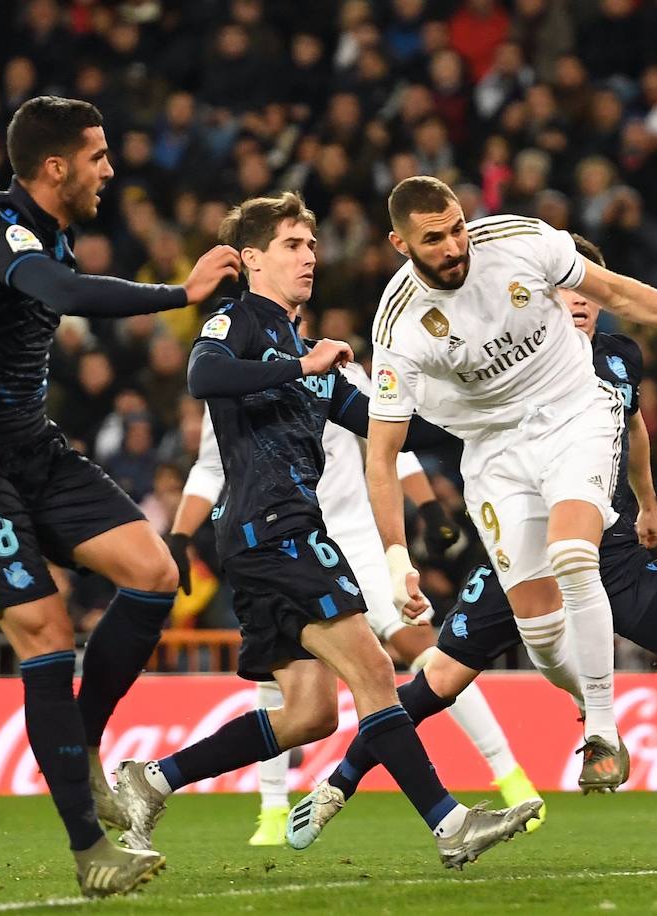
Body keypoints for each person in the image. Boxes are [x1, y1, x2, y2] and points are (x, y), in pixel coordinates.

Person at [288, 235, 657, 854]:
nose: (578, 301)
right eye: (566, 290)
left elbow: (633, 424)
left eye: (588, 293)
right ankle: (336, 785)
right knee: (438, 679)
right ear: (538, 300)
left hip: (609, 549)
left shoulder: (620, 358)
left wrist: (648, 502)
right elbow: (423, 422)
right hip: (526, 556)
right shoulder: (510, 368)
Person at [111, 191, 539, 870]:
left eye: (311, 245)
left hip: (274, 538)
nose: (308, 256)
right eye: (291, 244)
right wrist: (300, 368)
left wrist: (483, 405)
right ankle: (450, 823)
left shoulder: (307, 351)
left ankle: (150, 779)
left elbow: (383, 423)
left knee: (310, 714)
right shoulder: (241, 320)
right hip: (272, 530)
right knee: (374, 669)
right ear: (251, 259)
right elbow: (204, 373)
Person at [0, 96, 241, 898]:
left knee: (156, 571)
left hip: (31, 446)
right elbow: (66, 290)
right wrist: (181, 295)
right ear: (55, 167)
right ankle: (91, 850)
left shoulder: (47, 227)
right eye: (98, 157)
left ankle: (82, 742)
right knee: (47, 626)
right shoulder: (5, 237)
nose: (110, 172)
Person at [363, 176, 657, 791]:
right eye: (434, 239)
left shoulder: (520, 242)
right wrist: (395, 557)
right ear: (399, 244)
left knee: (574, 553)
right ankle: (582, 700)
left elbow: (622, 292)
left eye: (458, 227)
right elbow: (382, 455)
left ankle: (601, 727)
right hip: (494, 451)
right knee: (540, 632)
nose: (454, 246)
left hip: (575, 412)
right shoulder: (400, 326)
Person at [172, 388, 541, 846]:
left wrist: (426, 506)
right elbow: (210, 467)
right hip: (286, 542)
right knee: (286, 683)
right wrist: (180, 536)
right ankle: (271, 808)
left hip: (357, 540)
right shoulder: (232, 384)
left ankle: (507, 773)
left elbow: (390, 440)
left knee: (425, 653)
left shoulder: (338, 372)